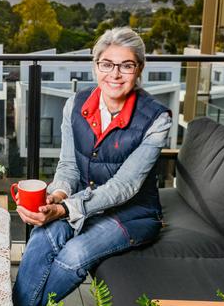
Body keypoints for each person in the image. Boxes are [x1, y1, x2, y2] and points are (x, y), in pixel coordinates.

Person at [12, 27, 172, 305]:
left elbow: (125, 187)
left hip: (133, 214)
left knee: (73, 254)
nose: (115, 74)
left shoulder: (157, 118)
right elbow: (69, 167)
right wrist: (57, 196)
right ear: (95, 65)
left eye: (127, 65)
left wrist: (65, 209)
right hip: (82, 202)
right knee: (40, 237)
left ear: (139, 69)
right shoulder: (74, 104)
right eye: (107, 64)